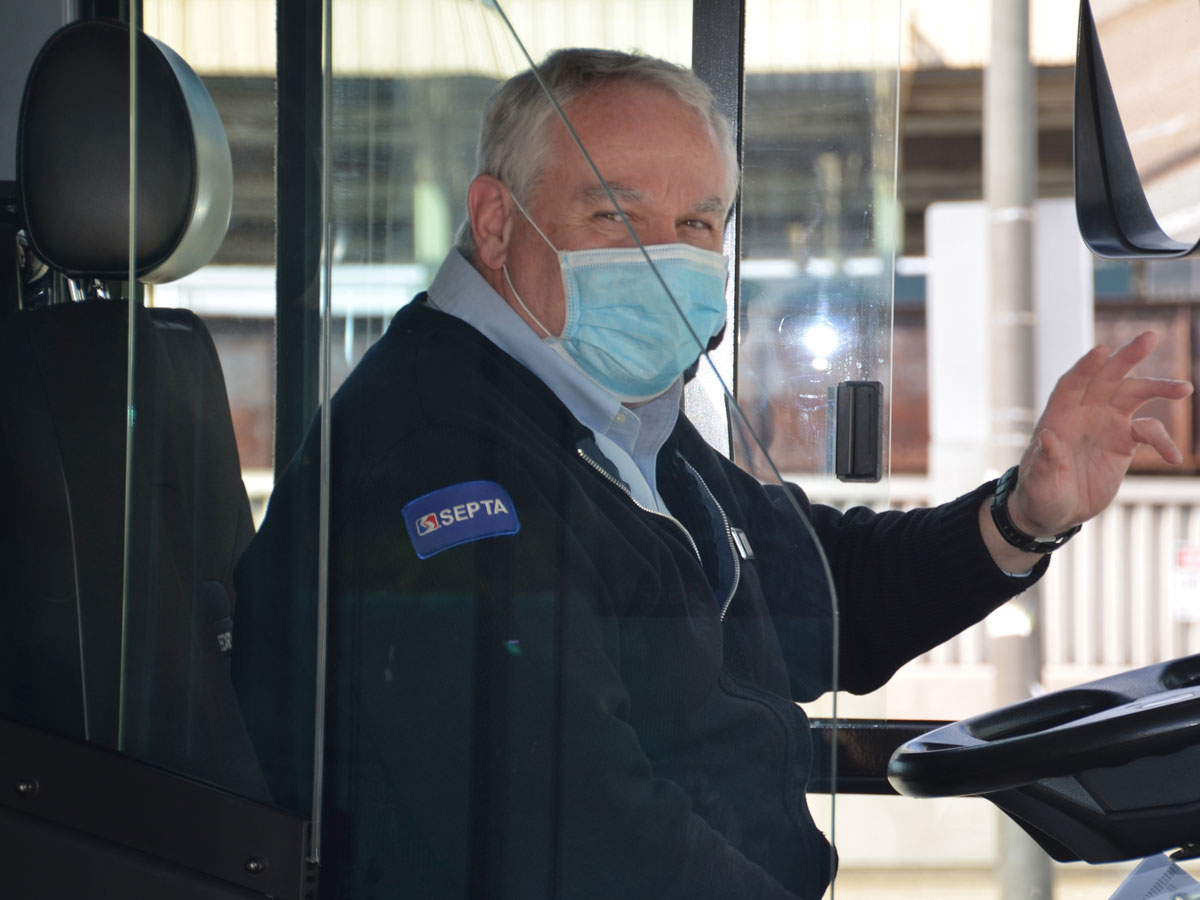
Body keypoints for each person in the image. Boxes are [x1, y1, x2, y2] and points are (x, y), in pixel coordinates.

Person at [232, 48, 1193, 899]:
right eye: (617, 214)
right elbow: (572, 834)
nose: (666, 258)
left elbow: (821, 593)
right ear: (495, 223)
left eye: (699, 223)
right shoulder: (437, 459)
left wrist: (1026, 512)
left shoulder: (606, 416)